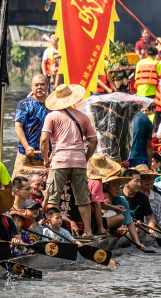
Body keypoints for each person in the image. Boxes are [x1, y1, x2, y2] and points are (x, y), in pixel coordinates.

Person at [40, 83, 98, 236]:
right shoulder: (83, 117)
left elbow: (44, 140)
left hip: (59, 161)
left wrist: (46, 159)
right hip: (78, 161)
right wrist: (85, 158)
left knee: (53, 198)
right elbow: (94, 141)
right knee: (83, 199)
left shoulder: (51, 116)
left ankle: (53, 232)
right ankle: (88, 231)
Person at [13, 74, 50, 179]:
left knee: (44, 189)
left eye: (42, 84)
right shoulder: (24, 104)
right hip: (26, 153)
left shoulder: (53, 105)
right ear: (32, 86)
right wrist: (26, 146)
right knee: (19, 187)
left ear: (47, 86)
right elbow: (18, 127)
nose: (39, 87)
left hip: (48, 155)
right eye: (36, 85)